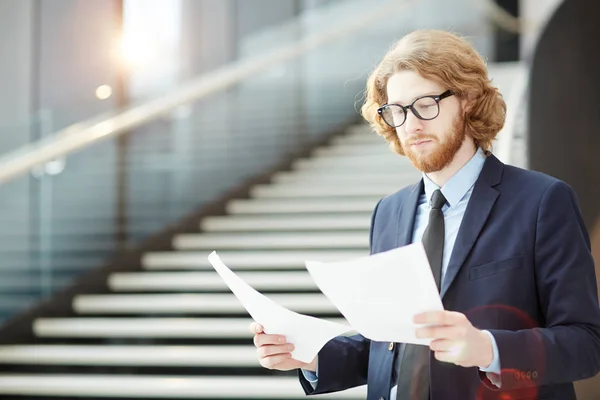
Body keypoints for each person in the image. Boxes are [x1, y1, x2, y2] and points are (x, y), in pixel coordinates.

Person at [249, 29, 600, 399]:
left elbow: (586, 343)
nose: (411, 125)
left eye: (426, 104)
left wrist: (488, 349)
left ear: (466, 98)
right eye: (397, 111)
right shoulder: (389, 212)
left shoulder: (543, 201)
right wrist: (309, 357)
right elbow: (392, 343)